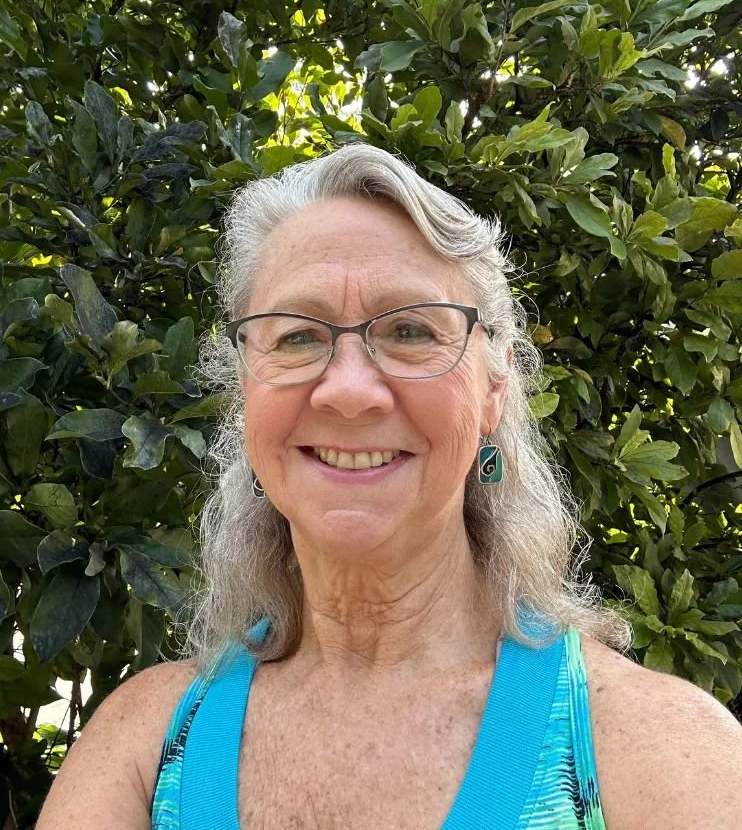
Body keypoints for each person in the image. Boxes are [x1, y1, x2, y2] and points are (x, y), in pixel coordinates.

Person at [38, 145, 742, 829]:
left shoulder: (659, 752)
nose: (348, 390)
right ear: (245, 385)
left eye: (410, 330)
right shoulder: (143, 747)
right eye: (297, 336)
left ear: (494, 385)